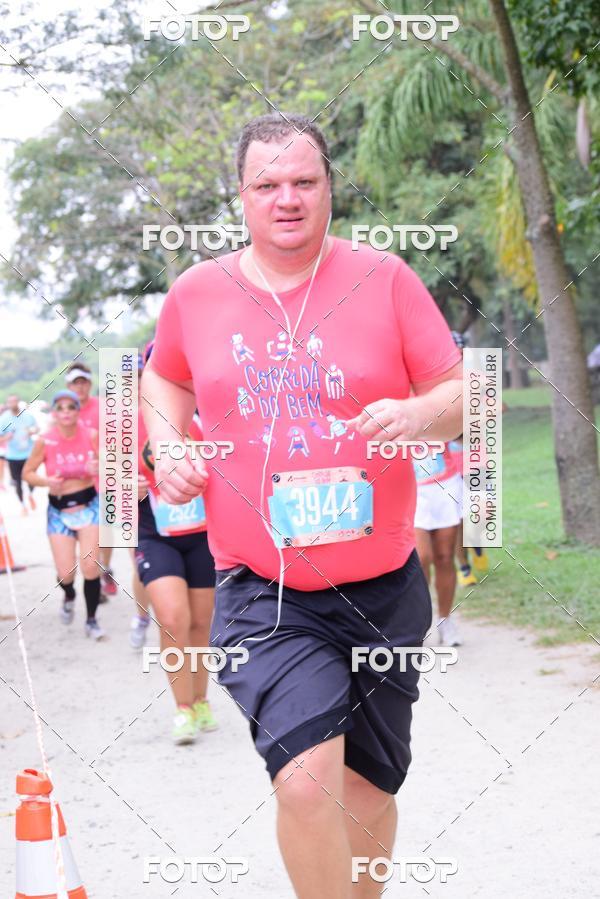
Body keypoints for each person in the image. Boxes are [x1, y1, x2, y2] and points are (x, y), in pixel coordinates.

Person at [142, 113, 463, 897]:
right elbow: (164, 380)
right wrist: (168, 443)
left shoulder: (385, 278)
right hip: (263, 588)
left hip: (383, 587)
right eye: (267, 184)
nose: (287, 198)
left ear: (329, 188)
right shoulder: (197, 292)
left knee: (367, 789)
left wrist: (421, 416)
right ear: (241, 196)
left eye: (304, 182)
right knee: (307, 780)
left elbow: (460, 393)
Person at [136, 343, 217, 743]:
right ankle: (182, 710)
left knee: (202, 624)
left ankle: (200, 700)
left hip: (202, 536)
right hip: (156, 537)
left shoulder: (206, 419)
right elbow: (111, 500)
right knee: (173, 619)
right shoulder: (125, 428)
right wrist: (125, 490)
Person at [23, 390, 105, 639]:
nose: (66, 411)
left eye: (71, 407)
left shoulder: (91, 435)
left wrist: (98, 466)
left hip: (88, 505)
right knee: (66, 572)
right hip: (59, 510)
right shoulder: (44, 440)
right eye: (61, 407)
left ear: (78, 410)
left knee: (91, 567)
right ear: (54, 412)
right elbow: (28, 473)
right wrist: (47, 481)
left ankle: (91, 620)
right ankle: (68, 594)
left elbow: (112, 464)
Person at [65, 362, 117, 601]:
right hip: (77, 486)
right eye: (76, 382)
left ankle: (104, 568)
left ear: (90, 383)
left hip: (104, 480)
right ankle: (93, 575)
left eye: (84, 381)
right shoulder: (64, 411)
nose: (80, 386)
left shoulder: (103, 409)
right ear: (69, 385)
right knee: (83, 534)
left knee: (105, 533)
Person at [413, 444, 463, 646]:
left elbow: (466, 431)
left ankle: (445, 620)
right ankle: (419, 623)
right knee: (421, 558)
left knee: (444, 556)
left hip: (445, 484)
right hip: (411, 487)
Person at [0, 394, 38, 514]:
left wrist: (32, 431)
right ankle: (23, 505)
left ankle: (30, 495)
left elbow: (37, 428)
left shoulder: (27, 416)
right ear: (7, 404)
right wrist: (7, 437)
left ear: (18, 402)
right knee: (17, 482)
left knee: (32, 479)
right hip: (13, 456)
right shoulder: (4, 419)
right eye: (10, 402)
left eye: (14, 401)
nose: (13, 404)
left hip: (28, 453)